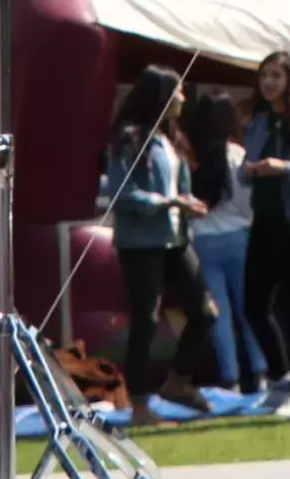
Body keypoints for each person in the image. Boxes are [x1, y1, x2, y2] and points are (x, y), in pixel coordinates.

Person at [103, 65, 212, 416]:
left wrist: (188, 202)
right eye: (178, 90)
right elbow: (124, 194)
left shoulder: (171, 139)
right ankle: (139, 404)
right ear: (161, 95)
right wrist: (169, 202)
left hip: (176, 239)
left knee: (205, 312)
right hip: (140, 243)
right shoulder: (128, 138)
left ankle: (178, 381)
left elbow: (180, 188)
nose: (183, 97)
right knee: (145, 319)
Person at [182, 88, 259, 396]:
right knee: (250, 310)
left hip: (202, 238)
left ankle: (230, 376)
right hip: (239, 236)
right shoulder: (237, 155)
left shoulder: (191, 157)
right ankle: (261, 369)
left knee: (219, 313)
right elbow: (247, 203)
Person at [242, 52, 290, 396]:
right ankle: (280, 374)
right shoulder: (258, 121)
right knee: (253, 305)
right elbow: (246, 167)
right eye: (264, 75)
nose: (268, 82)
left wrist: (281, 167)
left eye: (276, 76)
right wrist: (249, 169)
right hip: (262, 219)